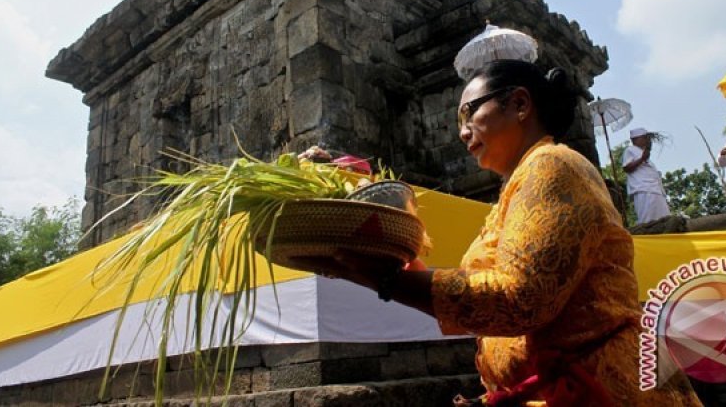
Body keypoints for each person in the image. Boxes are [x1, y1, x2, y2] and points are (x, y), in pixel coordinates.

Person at [293, 60, 701, 406]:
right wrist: (373, 242)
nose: (462, 131)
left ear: (520, 103)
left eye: (468, 112)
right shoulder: (518, 186)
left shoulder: (553, 166)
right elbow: (479, 290)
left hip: (602, 388)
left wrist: (385, 280)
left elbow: (519, 300)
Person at [622, 128, 671, 224]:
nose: (646, 140)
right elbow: (626, 168)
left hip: (656, 189)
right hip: (643, 189)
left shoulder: (645, 156)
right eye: (644, 138)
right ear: (635, 139)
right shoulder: (630, 150)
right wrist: (642, 159)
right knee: (648, 219)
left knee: (664, 218)